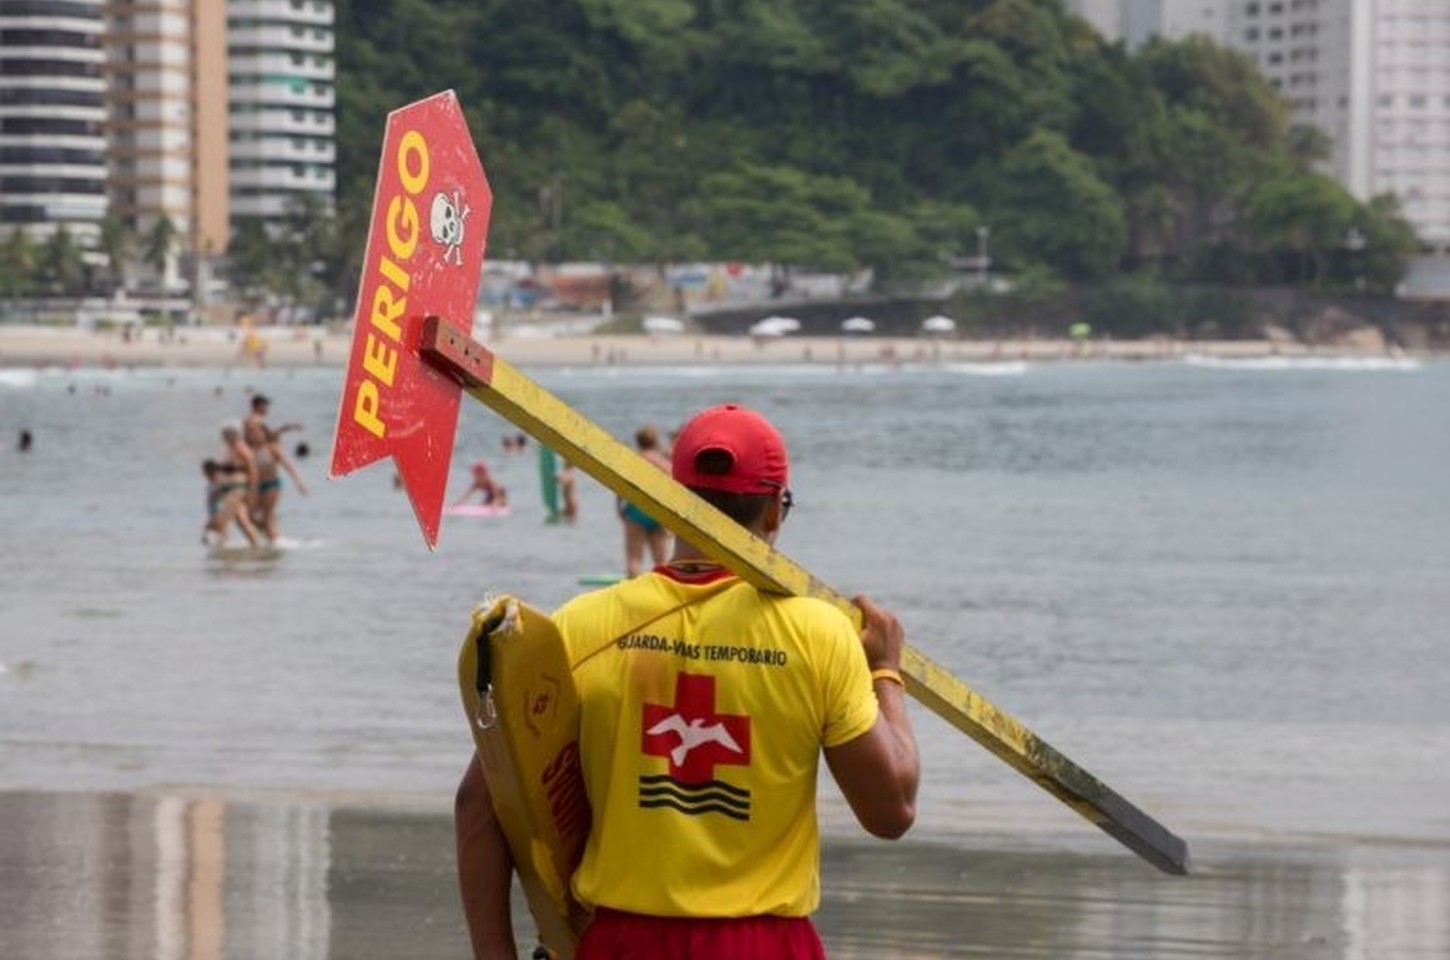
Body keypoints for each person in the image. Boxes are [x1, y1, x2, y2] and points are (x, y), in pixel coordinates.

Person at [455, 402, 920, 959]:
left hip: (621, 943)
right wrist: (885, 672)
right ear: (774, 510)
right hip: (765, 946)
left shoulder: (579, 626)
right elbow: (891, 811)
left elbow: (477, 804)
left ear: (668, 502)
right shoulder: (817, 634)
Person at [242, 394, 308, 542]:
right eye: (266, 406)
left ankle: (274, 544)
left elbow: (287, 465)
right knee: (253, 517)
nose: (268, 409)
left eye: (254, 431)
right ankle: (274, 541)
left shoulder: (270, 448)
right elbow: (269, 434)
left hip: (270, 485)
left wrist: (299, 483)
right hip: (257, 484)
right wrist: (287, 428)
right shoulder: (254, 425)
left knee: (265, 518)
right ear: (258, 406)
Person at [618, 425, 672, 576]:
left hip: (636, 510)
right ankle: (664, 595)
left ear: (638, 442)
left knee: (634, 559)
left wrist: (619, 507)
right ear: (655, 441)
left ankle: (633, 596)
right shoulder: (664, 463)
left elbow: (622, 485)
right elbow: (673, 487)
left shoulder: (634, 460)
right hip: (658, 511)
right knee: (661, 562)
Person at [203, 423, 261, 547]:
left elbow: (253, 470)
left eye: (225, 434)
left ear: (233, 434)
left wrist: (252, 492)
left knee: (223, 518)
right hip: (229, 489)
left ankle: (221, 547)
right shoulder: (230, 448)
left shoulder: (241, 448)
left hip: (237, 489)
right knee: (242, 521)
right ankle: (257, 547)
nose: (222, 437)